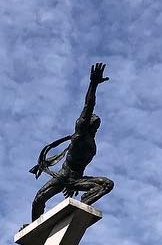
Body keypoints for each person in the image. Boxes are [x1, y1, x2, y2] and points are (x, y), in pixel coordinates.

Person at [29, 62, 114, 221]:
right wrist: (93, 84)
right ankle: (34, 225)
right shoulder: (80, 134)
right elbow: (89, 105)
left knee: (106, 184)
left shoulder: (91, 142)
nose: (95, 122)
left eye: (97, 123)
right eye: (93, 120)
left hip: (77, 179)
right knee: (38, 199)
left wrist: (75, 186)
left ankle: (80, 205)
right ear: (87, 123)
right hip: (63, 176)